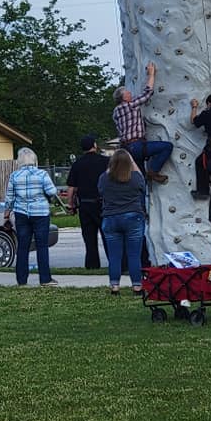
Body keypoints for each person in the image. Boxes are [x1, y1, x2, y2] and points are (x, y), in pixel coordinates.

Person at [4, 148, 59, 287]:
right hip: (40, 213)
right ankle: (45, 279)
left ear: (19, 161)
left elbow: (9, 197)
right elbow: (52, 191)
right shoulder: (42, 174)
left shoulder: (14, 176)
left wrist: (7, 212)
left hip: (21, 213)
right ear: (34, 160)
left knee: (23, 246)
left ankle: (21, 280)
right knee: (42, 246)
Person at [112, 61, 173, 184]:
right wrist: (151, 74)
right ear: (124, 98)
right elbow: (147, 93)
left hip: (127, 149)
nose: (130, 94)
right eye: (128, 93)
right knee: (167, 146)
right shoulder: (129, 106)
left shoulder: (116, 112)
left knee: (139, 179)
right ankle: (153, 171)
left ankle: (141, 200)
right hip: (137, 146)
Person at [98, 149, 146, 295]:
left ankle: (115, 286)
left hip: (111, 217)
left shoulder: (104, 178)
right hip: (133, 216)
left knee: (114, 256)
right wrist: (131, 161)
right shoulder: (135, 177)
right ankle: (137, 286)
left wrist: (113, 163)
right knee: (134, 255)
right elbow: (143, 186)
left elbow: (100, 191)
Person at [66, 135, 109, 269]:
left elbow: (71, 188)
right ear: (95, 145)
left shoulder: (77, 164)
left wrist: (71, 205)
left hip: (85, 204)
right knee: (108, 236)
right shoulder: (105, 161)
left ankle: (92, 265)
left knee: (89, 238)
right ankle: (115, 262)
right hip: (103, 203)